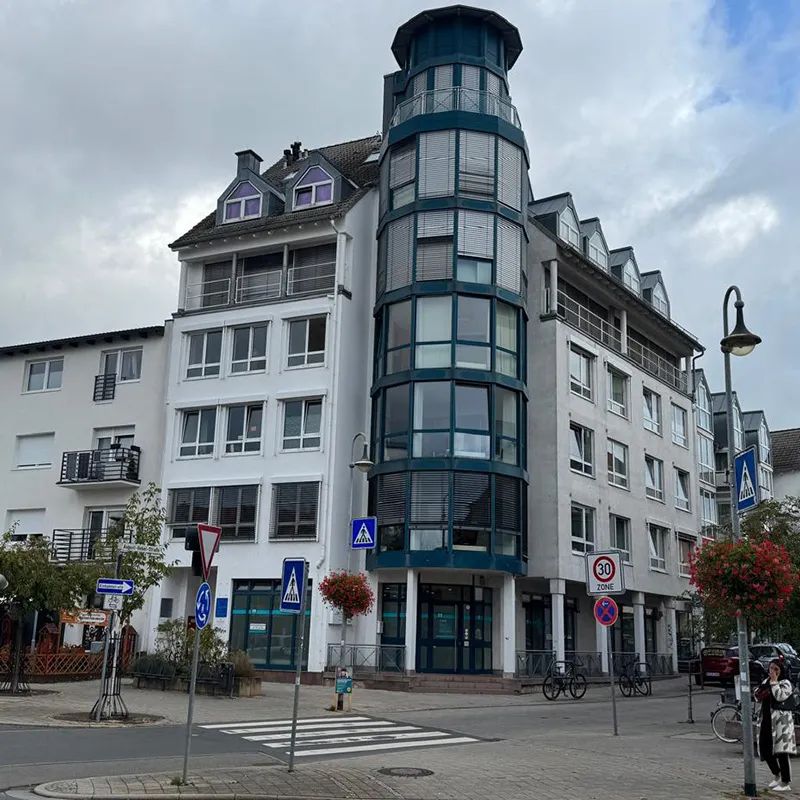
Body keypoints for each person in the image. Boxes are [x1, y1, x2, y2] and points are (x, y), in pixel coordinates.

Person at [756, 658, 796, 792]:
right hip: (766, 720)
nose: (772, 671)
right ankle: (777, 773)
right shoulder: (766, 681)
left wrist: (774, 682)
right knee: (765, 748)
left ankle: (786, 782)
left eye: (776, 669)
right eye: (771, 668)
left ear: (781, 670)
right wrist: (760, 691)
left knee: (781, 751)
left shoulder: (786, 683)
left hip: (781, 723)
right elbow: (757, 695)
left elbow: (779, 696)